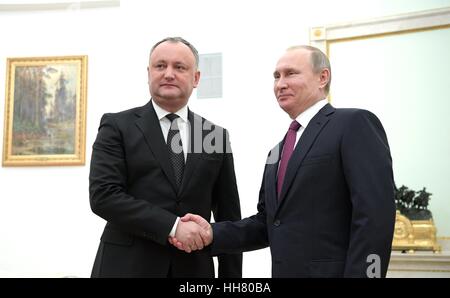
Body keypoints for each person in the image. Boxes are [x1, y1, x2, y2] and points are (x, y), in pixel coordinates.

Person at [171, 45, 396, 278]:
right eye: (276, 76)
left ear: (322, 77)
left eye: (291, 73)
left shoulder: (353, 124)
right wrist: (212, 233)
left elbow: (374, 217)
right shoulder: (276, 152)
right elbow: (266, 224)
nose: (280, 84)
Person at [89, 37, 242, 278]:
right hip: (126, 267)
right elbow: (104, 196)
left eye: (179, 67)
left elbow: (229, 217)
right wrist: (173, 227)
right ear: (149, 73)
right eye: (160, 66)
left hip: (193, 271)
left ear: (196, 78)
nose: (169, 74)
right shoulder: (117, 126)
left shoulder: (215, 136)